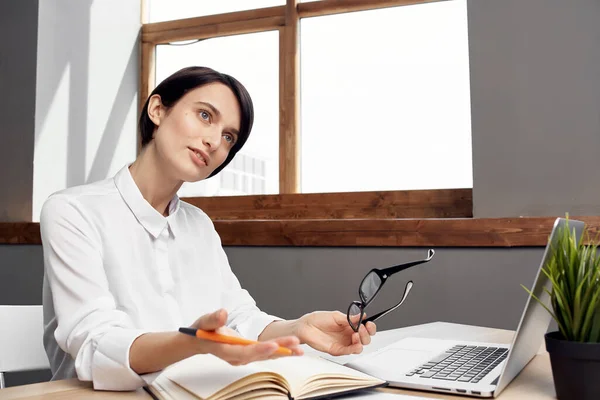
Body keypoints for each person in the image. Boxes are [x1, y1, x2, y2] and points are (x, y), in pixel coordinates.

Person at [40, 66, 376, 391]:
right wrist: (191, 343)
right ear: (157, 110)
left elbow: (237, 318)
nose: (214, 140)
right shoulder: (72, 211)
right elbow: (96, 343)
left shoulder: (199, 225)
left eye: (229, 137)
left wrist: (298, 328)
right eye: (204, 115)